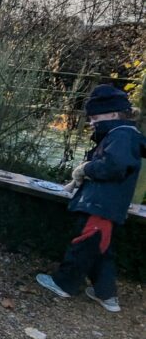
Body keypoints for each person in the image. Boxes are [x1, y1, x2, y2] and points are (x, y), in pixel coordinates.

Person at [36, 84, 145, 313]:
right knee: (101, 250)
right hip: (107, 206)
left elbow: (113, 167)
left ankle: (63, 284)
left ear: (113, 114)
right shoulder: (124, 135)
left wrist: (87, 168)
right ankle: (107, 295)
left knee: (83, 246)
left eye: (96, 117)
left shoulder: (122, 136)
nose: (92, 122)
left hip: (100, 206)